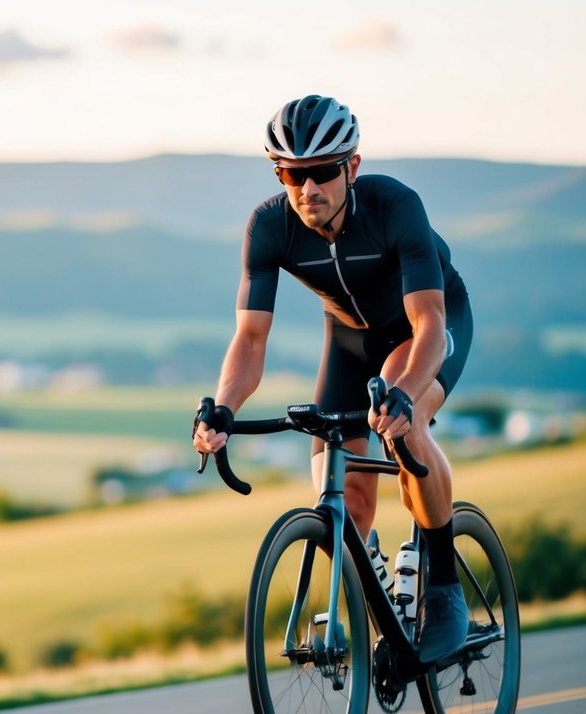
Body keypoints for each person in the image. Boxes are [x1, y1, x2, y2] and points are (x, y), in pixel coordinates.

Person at [192, 94, 473, 662]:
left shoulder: (395, 206)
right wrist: (222, 408)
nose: (307, 189)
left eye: (321, 172)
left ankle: (444, 587)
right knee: (343, 496)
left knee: (403, 420)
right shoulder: (270, 227)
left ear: (352, 167)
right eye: (292, 174)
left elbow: (428, 323)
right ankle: (367, 594)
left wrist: (403, 396)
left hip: (427, 332)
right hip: (347, 342)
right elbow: (250, 340)